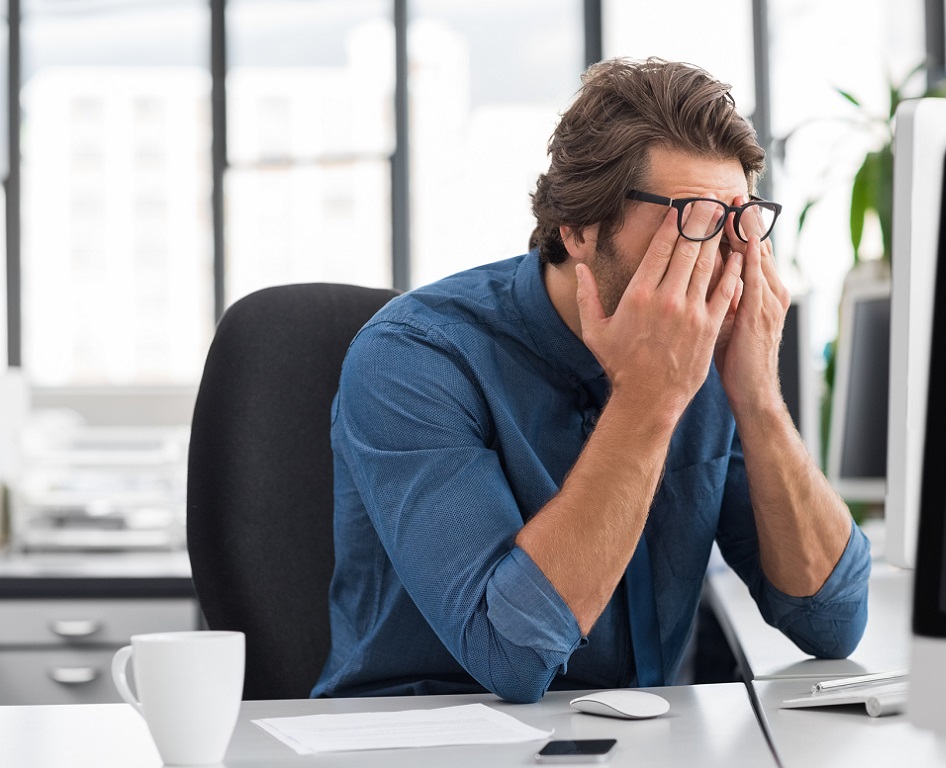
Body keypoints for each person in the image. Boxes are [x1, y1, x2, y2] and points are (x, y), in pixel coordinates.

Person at [312, 57, 871, 704]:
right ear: (578, 228)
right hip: (426, 737)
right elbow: (511, 657)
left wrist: (758, 399)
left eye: (737, 224)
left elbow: (832, 621)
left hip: (645, 740)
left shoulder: (714, 353)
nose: (719, 260)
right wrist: (649, 399)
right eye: (692, 220)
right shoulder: (413, 358)